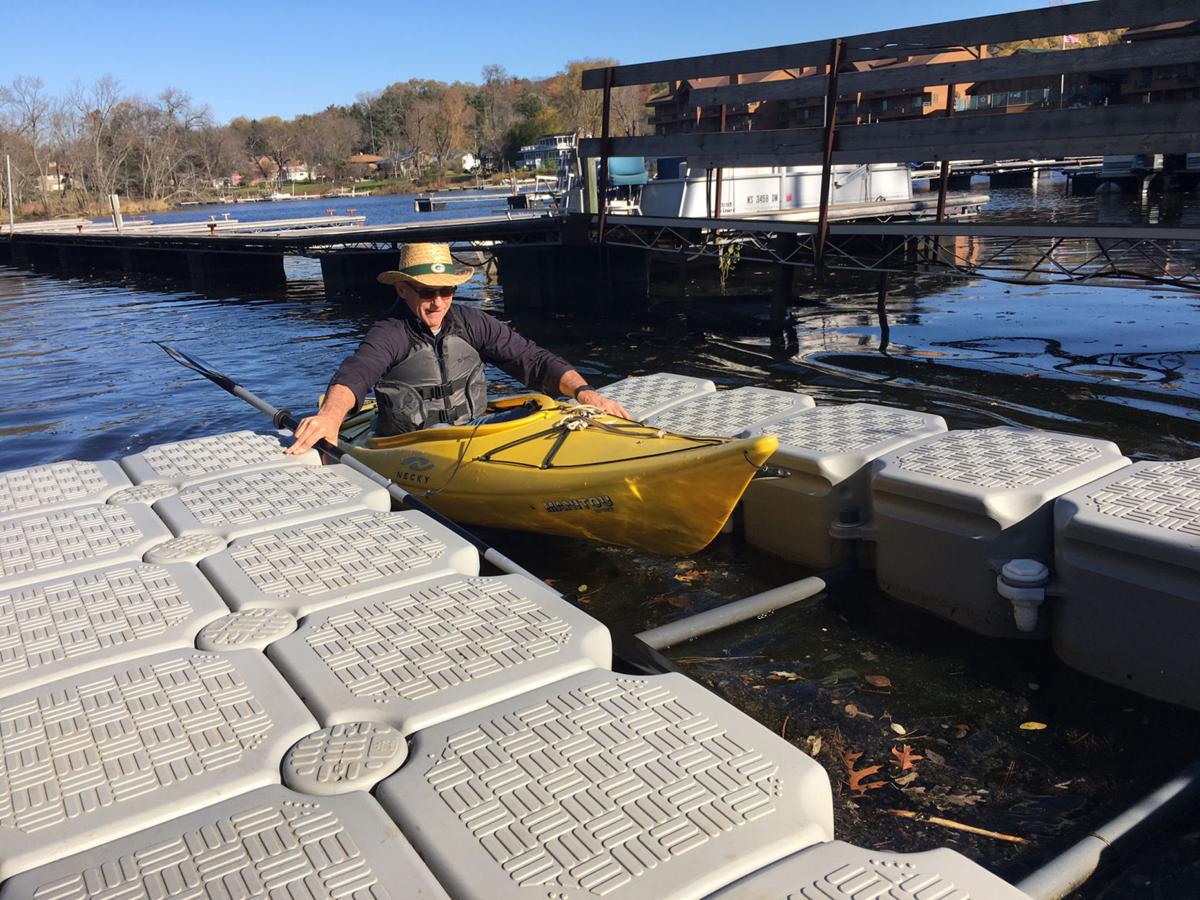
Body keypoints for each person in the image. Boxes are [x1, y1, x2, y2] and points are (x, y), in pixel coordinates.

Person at [287, 242, 628, 455]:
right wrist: (330, 417)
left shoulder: (471, 322)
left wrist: (586, 394)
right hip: (411, 446)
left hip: (472, 432)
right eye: (426, 292)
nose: (438, 302)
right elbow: (356, 372)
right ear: (402, 290)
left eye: (446, 290)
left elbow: (533, 360)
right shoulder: (390, 333)